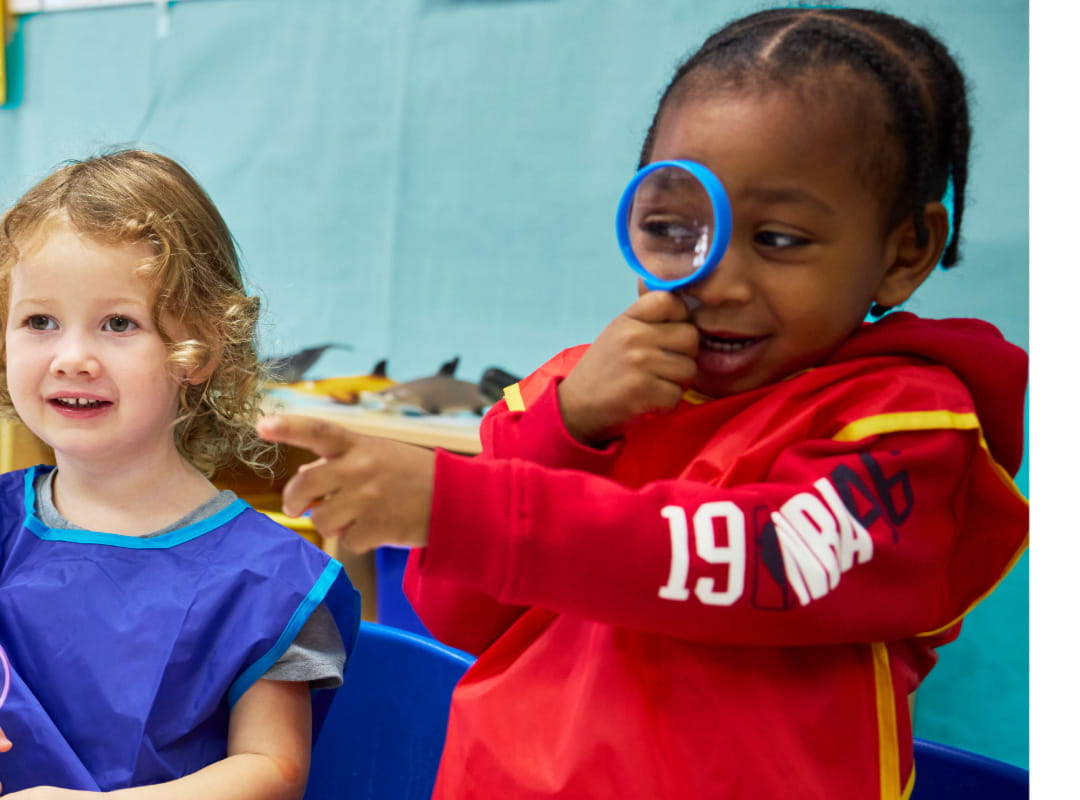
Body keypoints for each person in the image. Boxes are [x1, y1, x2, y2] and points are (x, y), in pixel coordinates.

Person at [258, 6, 1028, 798]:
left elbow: (764, 562)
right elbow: (457, 615)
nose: (716, 280)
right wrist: (566, 428)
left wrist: (462, 507)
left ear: (906, 251)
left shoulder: (908, 427)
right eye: (672, 228)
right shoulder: (576, 392)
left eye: (780, 239)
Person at [0, 150, 360, 797]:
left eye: (118, 323)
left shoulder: (266, 582)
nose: (71, 357)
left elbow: (273, 770)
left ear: (201, 348)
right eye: (39, 321)